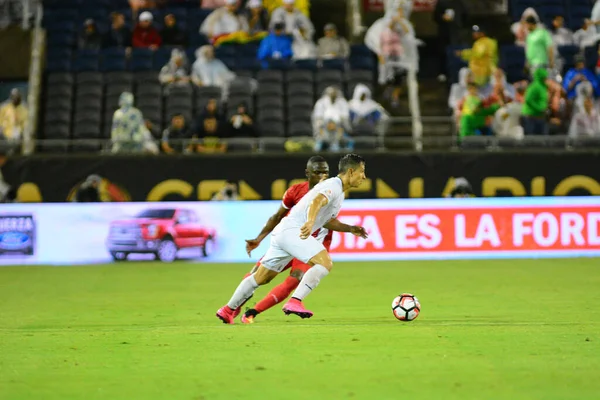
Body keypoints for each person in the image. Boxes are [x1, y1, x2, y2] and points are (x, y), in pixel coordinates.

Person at [216, 153, 367, 324]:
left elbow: (326, 220)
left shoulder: (339, 192)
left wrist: (350, 229)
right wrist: (310, 222)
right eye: (362, 172)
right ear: (351, 171)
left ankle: (228, 310)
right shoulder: (334, 185)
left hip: (284, 232)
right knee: (325, 263)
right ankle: (295, 301)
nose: (364, 176)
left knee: (261, 277)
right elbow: (317, 201)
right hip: (294, 231)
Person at [433, 0, 466, 81]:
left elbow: (465, 16)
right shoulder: (441, 2)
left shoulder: (459, 3)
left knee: (456, 52)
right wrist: (442, 17)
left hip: (456, 33)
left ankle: (456, 72)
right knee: (443, 52)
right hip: (444, 32)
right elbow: (435, 17)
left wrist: (460, 24)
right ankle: (443, 72)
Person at [521, 68, 549, 135]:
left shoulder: (543, 86)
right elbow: (528, 99)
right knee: (531, 139)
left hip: (540, 117)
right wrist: (539, 108)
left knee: (542, 139)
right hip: (531, 117)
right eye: (544, 77)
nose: (546, 78)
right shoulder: (534, 86)